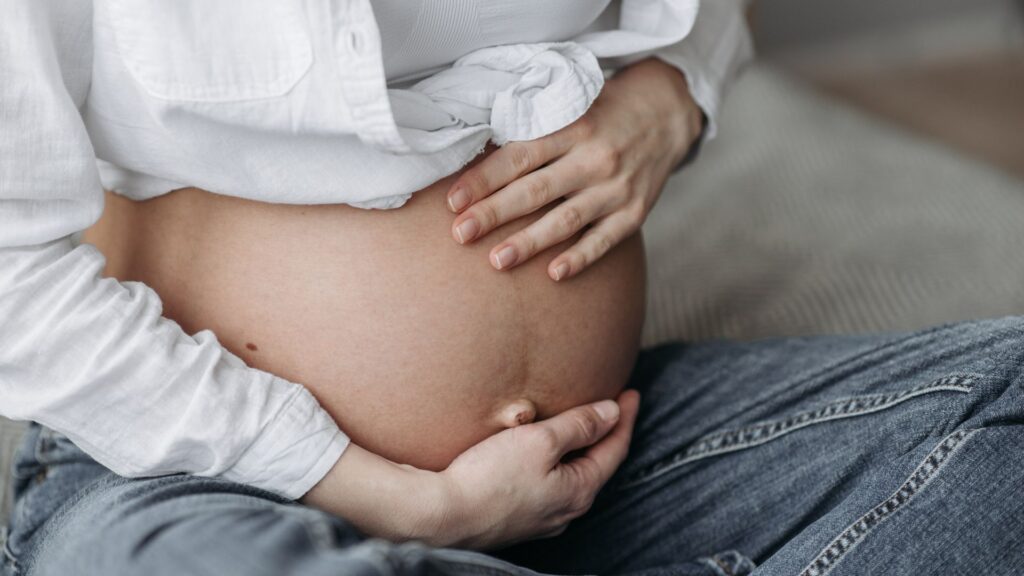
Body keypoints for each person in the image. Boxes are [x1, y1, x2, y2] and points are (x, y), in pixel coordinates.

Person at [1, 1, 1021, 575]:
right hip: (198, 486)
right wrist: (407, 507)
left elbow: (699, 13)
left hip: (594, 468)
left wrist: (674, 90)